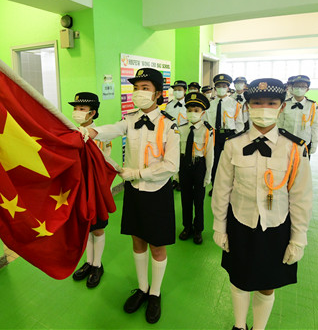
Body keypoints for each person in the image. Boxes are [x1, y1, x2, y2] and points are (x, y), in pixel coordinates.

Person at [211, 78, 313, 330]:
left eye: (271, 103)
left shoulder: (294, 148)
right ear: (247, 107)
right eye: (257, 102)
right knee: (238, 279)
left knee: (267, 285)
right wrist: (219, 226)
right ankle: (239, 325)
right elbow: (222, 189)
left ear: (281, 107)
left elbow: (301, 198)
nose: (264, 108)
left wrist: (298, 238)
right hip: (240, 222)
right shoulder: (233, 144)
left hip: (275, 225)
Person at [82, 68, 180, 324]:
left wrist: (137, 173)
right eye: (136, 88)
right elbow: (113, 129)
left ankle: (155, 293)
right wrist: (91, 132)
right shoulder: (130, 118)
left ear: (157, 93)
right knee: (137, 241)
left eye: (145, 88)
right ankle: (142, 288)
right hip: (134, 192)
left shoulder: (169, 125)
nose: (139, 92)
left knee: (157, 246)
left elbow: (171, 165)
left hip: (157, 192)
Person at [70, 92, 112, 288]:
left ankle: (97, 265)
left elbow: (105, 162)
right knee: (86, 227)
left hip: (95, 189)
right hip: (79, 187)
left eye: (82, 109)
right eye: (75, 108)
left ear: (92, 113)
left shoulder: (100, 135)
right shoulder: (72, 133)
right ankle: (88, 262)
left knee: (98, 228)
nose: (77, 112)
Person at [177, 92, 214, 244]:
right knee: (185, 199)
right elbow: (177, 151)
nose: (192, 113)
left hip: (199, 166)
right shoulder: (181, 128)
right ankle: (187, 227)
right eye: (189, 110)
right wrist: (176, 173)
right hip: (184, 166)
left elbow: (210, 154)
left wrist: (208, 175)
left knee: (199, 200)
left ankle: (198, 229)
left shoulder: (207, 130)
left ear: (202, 113)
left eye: (196, 110)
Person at [206, 74, 244, 195]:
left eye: (224, 86)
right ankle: (215, 187)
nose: (221, 88)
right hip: (214, 136)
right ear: (215, 88)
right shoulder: (210, 105)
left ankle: (230, 187)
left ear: (228, 88)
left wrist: (236, 139)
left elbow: (239, 124)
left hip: (229, 136)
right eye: (219, 86)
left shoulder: (234, 104)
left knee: (230, 163)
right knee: (215, 162)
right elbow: (206, 122)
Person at [277, 75, 318, 158]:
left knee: (303, 165)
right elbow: (279, 124)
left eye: (303, 86)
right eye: (296, 86)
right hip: (286, 142)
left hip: (304, 143)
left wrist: (314, 143)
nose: (299, 89)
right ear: (292, 88)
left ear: (307, 89)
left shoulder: (312, 105)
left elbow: (314, 126)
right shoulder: (285, 104)